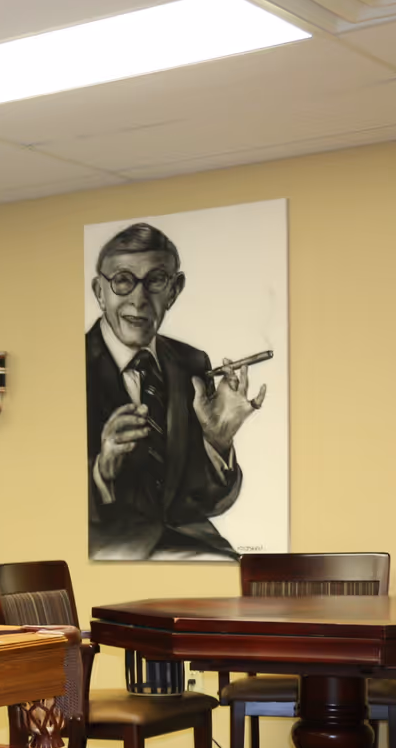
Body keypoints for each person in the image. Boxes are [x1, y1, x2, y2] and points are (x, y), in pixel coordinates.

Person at [86, 222, 265, 560]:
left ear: (174, 290)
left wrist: (218, 441)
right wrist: (102, 468)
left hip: (190, 544)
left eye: (155, 281)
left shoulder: (191, 363)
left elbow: (207, 502)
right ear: (99, 291)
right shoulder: (71, 366)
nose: (139, 300)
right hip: (110, 548)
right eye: (123, 281)